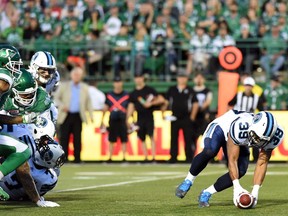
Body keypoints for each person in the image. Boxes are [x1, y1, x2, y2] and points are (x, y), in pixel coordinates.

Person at [175, 110, 283, 208]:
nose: (257, 141)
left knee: (241, 170)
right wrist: (236, 186)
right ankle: (188, 180)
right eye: (256, 137)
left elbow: (262, 162)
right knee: (210, 151)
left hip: (240, 139)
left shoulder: (276, 136)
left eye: (260, 139)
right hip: (222, 127)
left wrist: (255, 193)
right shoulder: (241, 126)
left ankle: (206, 193)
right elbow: (232, 159)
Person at [0, 118, 65, 202]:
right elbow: (27, 196)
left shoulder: (26, 143)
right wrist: (37, 199)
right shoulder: (50, 178)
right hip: (11, 196)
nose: (46, 142)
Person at [54, 67, 93, 163]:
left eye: (79, 75)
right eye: (75, 75)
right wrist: (63, 106)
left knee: (77, 138)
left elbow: (88, 102)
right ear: (71, 75)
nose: (77, 77)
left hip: (78, 115)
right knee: (64, 138)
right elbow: (56, 98)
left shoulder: (84, 87)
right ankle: (64, 158)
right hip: (66, 114)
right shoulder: (64, 86)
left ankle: (77, 158)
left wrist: (91, 115)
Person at [126, 73, 165, 161]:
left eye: (140, 77)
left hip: (149, 116)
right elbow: (131, 106)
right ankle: (145, 157)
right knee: (142, 137)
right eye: (136, 77)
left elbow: (161, 99)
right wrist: (128, 118)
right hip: (139, 117)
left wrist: (151, 103)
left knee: (151, 136)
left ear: (143, 78)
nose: (138, 80)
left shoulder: (149, 90)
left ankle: (154, 157)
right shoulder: (133, 93)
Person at [162, 70, 199, 163]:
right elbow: (166, 102)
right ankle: (173, 157)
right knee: (174, 138)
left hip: (186, 117)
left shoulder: (190, 90)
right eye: (180, 77)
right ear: (177, 78)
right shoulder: (172, 89)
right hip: (174, 117)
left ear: (186, 79)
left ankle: (189, 157)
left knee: (188, 138)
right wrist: (163, 112)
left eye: (184, 77)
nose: (182, 79)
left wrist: (192, 117)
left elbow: (195, 104)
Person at [228, 76, 266, 162]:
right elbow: (230, 104)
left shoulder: (256, 97)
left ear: (252, 87)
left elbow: (262, 111)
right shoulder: (239, 95)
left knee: (255, 140)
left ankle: (255, 159)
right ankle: (230, 158)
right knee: (234, 140)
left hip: (250, 122)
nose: (248, 87)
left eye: (249, 85)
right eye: (246, 85)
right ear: (244, 86)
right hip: (238, 121)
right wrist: (230, 115)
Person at [101, 76, 129, 161]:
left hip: (122, 118)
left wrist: (129, 119)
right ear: (114, 84)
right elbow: (106, 107)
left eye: (119, 82)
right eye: (116, 82)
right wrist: (102, 120)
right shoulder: (110, 95)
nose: (117, 84)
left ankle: (124, 156)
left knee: (124, 138)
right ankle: (110, 156)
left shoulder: (126, 95)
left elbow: (129, 107)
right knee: (112, 138)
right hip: (113, 118)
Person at [192, 73, 213, 147]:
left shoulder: (207, 91)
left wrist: (197, 108)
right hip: (194, 117)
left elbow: (208, 102)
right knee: (193, 138)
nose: (199, 80)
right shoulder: (191, 91)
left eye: (200, 78)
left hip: (203, 116)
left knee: (205, 137)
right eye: (197, 78)